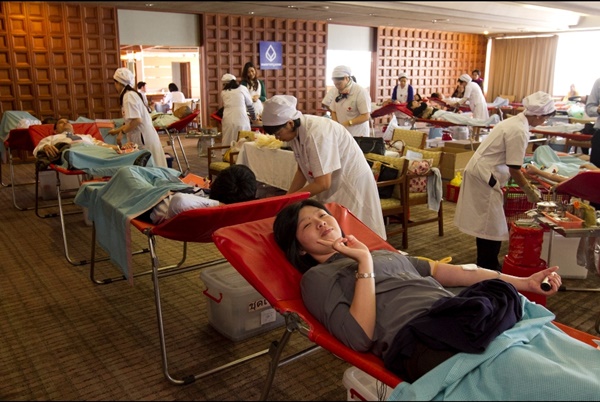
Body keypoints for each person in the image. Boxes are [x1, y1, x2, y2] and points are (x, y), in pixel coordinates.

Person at [271, 199, 576, 385]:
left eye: (322, 215)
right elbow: (359, 337)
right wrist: (363, 261)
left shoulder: (381, 253)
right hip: (421, 337)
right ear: (299, 248)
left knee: (553, 353)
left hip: (459, 314)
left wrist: (524, 282)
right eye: (307, 225)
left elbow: (453, 272)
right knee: (536, 375)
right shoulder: (317, 278)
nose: (321, 223)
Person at [454, 91, 556, 271]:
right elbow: (513, 169)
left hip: (483, 172)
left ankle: (486, 264)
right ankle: (488, 266)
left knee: (487, 224)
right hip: (484, 175)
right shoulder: (519, 130)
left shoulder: (515, 122)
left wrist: (526, 175)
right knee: (492, 226)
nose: (545, 121)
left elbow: (511, 163)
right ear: (539, 115)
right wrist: (529, 190)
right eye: (546, 118)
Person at [261, 95, 386, 239]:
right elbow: (302, 170)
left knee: (360, 234)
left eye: (278, 133)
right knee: (338, 236)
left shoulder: (317, 133)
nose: (277, 138)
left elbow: (323, 183)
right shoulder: (295, 133)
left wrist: (292, 201)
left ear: (289, 123)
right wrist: (286, 199)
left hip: (351, 185)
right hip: (335, 185)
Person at [149, 164, 257, 224]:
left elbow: (179, 200)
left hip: (154, 199)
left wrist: (221, 206)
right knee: (169, 173)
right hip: (189, 191)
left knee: (153, 174)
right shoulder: (240, 210)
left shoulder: (210, 207)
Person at [108, 68, 168, 168]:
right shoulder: (131, 94)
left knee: (150, 167)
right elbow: (131, 122)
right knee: (152, 167)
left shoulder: (128, 96)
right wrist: (116, 131)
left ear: (118, 83)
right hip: (144, 136)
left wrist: (122, 133)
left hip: (143, 138)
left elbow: (137, 120)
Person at [323, 65, 372, 137]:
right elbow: (333, 111)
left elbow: (366, 116)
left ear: (346, 78)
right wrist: (336, 124)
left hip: (357, 133)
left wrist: (347, 123)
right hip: (342, 132)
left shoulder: (360, 92)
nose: (337, 86)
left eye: (339, 84)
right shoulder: (336, 90)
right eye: (335, 84)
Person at [220, 73, 257, 156]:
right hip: (241, 118)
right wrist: (254, 117)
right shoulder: (242, 88)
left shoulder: (223, 92)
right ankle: (242, 158)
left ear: (225, 84)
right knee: (242, 141)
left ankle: (227, 157)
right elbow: (250, 105)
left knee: (228, 139)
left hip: (228, 119)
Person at [407, 100, 500, 126]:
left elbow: (424, 105)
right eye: (415, 102)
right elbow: (424, 105)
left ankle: (484, 122)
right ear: (412, 107)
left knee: (464, 118)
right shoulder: (415, 111)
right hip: (438, 116)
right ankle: (484, 123)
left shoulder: (419, 108)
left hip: (440, 113)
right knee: (463, 120)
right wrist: (422, 103)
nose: (417, 102)